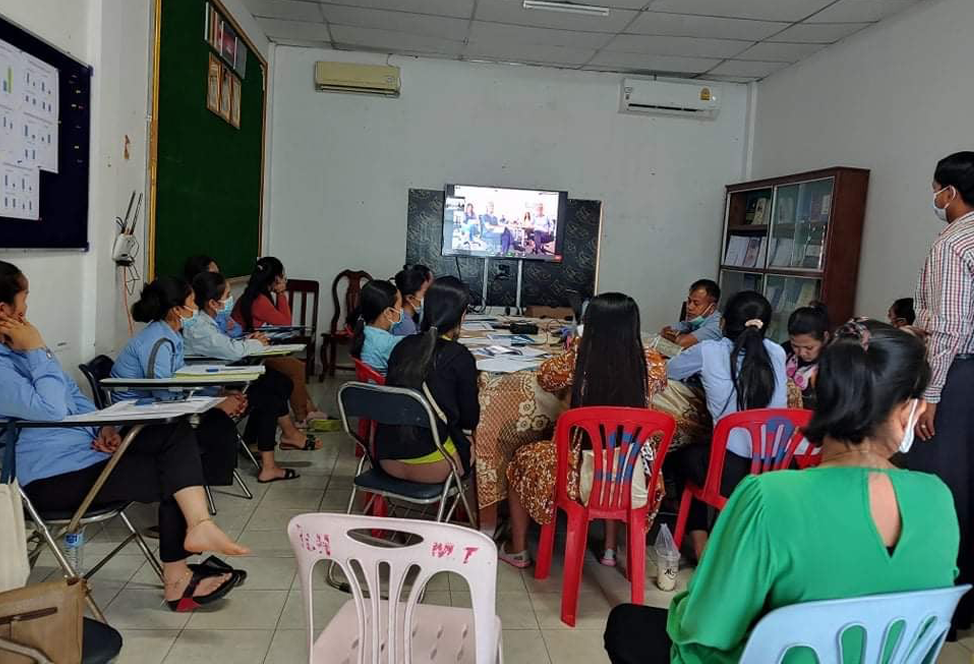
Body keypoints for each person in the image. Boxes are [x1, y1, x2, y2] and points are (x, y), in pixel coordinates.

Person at [604, 320, 959, 664]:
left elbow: (707, 625)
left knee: (627, 625)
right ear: (909, 409)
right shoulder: (937, 499)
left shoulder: (768, 497)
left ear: (816, 382)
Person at [0, 262, 249, 612]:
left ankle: (198, 528)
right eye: (24, 298)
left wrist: (102, 427)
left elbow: (73, 396)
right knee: (174, 474)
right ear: (4, 308)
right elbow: (52, 410)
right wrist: (38, 351)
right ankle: (180, 574)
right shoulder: (18, 356)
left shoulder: (19, 348)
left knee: (172, 431)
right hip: (46, 478)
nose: (27, 309)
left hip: (85, 453)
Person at [502, 293, 669, 569]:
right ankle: (610, 548)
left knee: (521, 459)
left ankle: (517, 548)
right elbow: (659, 385)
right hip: (634, 470)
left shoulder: (579, 357)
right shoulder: (652, 362)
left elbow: (546, 377)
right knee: (614, 455)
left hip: (577, 469)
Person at [665, 290, 786, 560]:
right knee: (705, 454)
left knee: (682, 457)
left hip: (729, 472)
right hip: (773, 468)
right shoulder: (777, 352)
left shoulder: (709, 351)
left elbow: (669, 371)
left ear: (723, 323)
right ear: (767, 325)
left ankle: (700, 545)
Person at [906, 151, 974, 632]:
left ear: (949, 192)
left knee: (940, 492)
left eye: (936, 188)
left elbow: (948, 328)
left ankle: (939, 613)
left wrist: (929, 395)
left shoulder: (953, 243)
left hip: (959, 380)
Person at [185, 271, 323, 482]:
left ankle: (277, 444)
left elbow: (228, 342)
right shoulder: (199, 327)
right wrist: (253, 343)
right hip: (210, 389)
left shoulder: (212, 319)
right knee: (272, 390)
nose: (231, 299)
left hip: (221, 377)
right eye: (227, 295)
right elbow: (229, 349)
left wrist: (249, 339)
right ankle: (274, 454)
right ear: (213, 302)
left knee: (279, 382)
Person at [111, 277, 243, 489]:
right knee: (209, 429)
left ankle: (199, 487)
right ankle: (192, 489)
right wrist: (213, 403)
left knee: (220, 424)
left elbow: (179, 379)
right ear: (176, 310)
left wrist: (217, 395)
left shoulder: (171, 335)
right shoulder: (157, 341)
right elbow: (163, 394)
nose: (196, 307)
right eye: (191, 302)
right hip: (138, 420)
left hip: (156, 413)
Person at [377, 276, 478, 483]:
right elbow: (470, 418)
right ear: (462, 315)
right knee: (475, 440)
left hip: (386, 460)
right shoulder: (459, 356)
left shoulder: (402, 346)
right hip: (438, 466)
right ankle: (471, 512)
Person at [233, 257, 329, 426]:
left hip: (252, 348)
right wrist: (281, 293)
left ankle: (310, 409)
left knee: (294, 366)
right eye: (282, 276)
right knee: (295, 367)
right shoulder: (259, 300)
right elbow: (285, 324)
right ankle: (302, 416)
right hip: (247, 354)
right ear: (276, 278)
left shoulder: (254, 295)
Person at [350, 280, 404, 375]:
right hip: (386, 389)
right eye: (400, 307)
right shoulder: (388, 343)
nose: (401, 311)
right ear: (388, 312)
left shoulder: (364, 331)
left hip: (371, 387)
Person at [183, 255, 243, 338]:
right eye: (214, 274)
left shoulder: (219, 310)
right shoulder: (195, 318)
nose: (219, 278)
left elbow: (238, 329)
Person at [784, 302, 830, 410]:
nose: (801, 353)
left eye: (809, 348)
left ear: (825, 338)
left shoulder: (830, 365)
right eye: (795, 346)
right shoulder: (785, 352)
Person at [660, 279, 722, 349]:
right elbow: (664, 331)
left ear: (711, 308)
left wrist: (677, 336)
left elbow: (681, 343)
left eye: (696, 303)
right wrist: (676, 336)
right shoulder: (696, 319)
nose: (689, 307)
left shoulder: (716, 326)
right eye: (689, 301)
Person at [391, 266, 430, 337]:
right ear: (410, 298)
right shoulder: (406, 326)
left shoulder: (408, 318)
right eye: (425, 293)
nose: (428, 296)